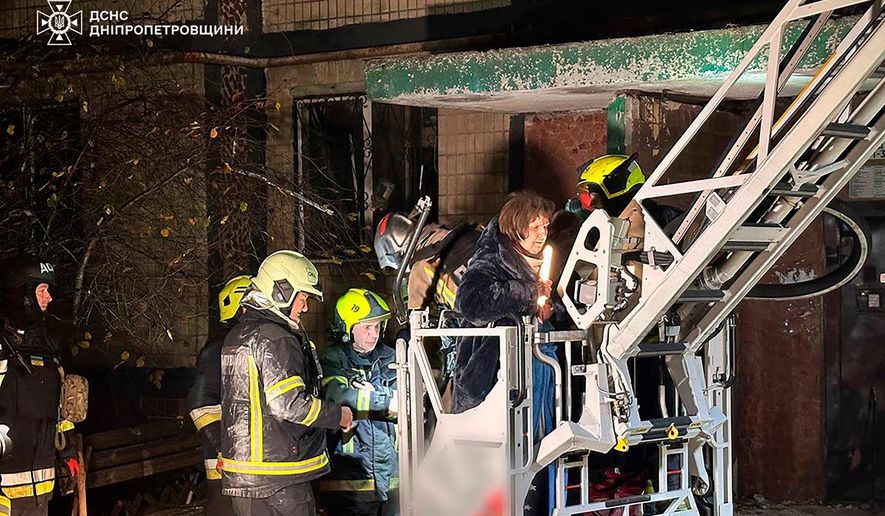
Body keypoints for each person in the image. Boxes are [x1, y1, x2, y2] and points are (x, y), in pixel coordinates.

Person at [220, 251, 353, 516]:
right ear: (281, 291)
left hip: (242, 476)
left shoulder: (237, 335)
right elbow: (289, 405)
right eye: (302, 297)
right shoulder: (276, 337)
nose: (304, 307)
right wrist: (338, 415)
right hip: (279, 476)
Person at [0, 254, 78, 516]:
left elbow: (60, 410)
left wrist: (68, 453)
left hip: (39, 489)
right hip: (4, 490)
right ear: (22, 294)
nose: (49, 298)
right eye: (42, 290)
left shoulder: (47, 348)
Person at [316, 289, 398, 516]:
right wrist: (385, 400)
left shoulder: (393, 357)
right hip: (350, 480)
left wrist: (373, 396)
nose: (374, 334)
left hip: (393, 478)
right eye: (366, 327)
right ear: (347, 329)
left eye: (378, 327)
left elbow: (409, 402)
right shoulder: (332, 359)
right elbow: (340, 397)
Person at [187, 275, 251, 515]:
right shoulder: (218, 350)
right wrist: (226, 448)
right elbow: (200, 405)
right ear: (240, 308)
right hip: (226, 468)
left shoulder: (251, 345)